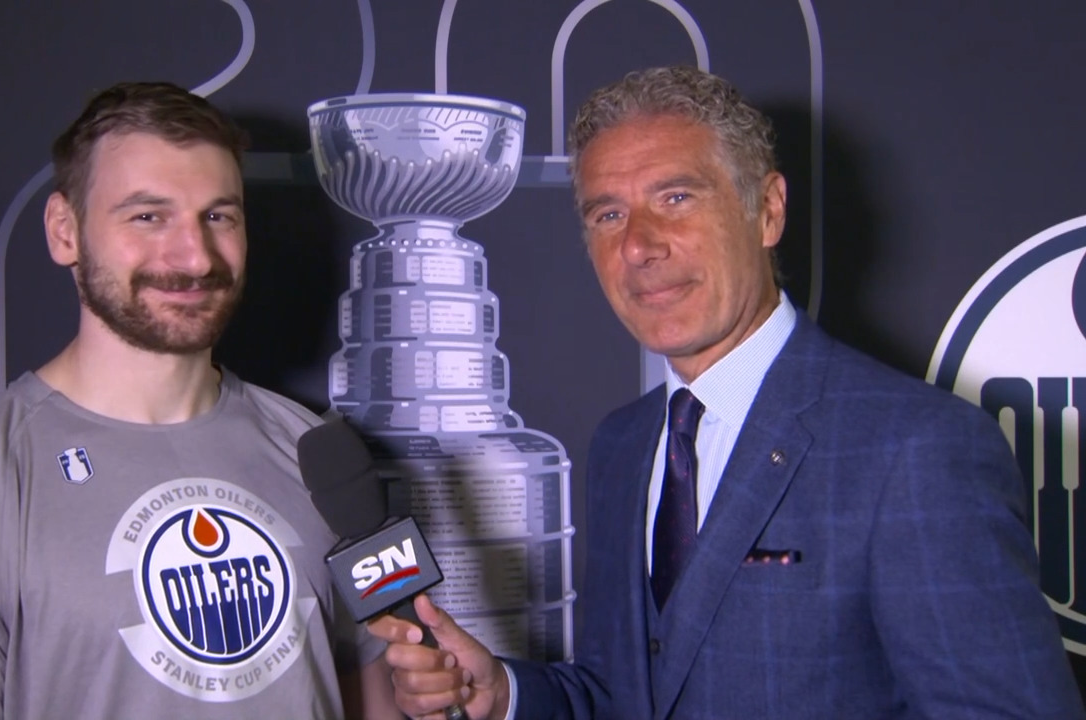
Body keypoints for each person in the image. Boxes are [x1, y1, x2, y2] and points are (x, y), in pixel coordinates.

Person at [368, 66, 1086, 719]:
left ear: (768, 211)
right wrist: (502, 694)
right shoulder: (623, 444)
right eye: (608, 214)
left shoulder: (915, 448)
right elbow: (628, 694)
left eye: (676, 197)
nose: (640, 245)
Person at [0, 82, 399, 720]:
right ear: (65, 231)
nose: (195, 257)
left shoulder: (311, 452)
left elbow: (374, 698)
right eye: (148, 216)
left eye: (218, 217)